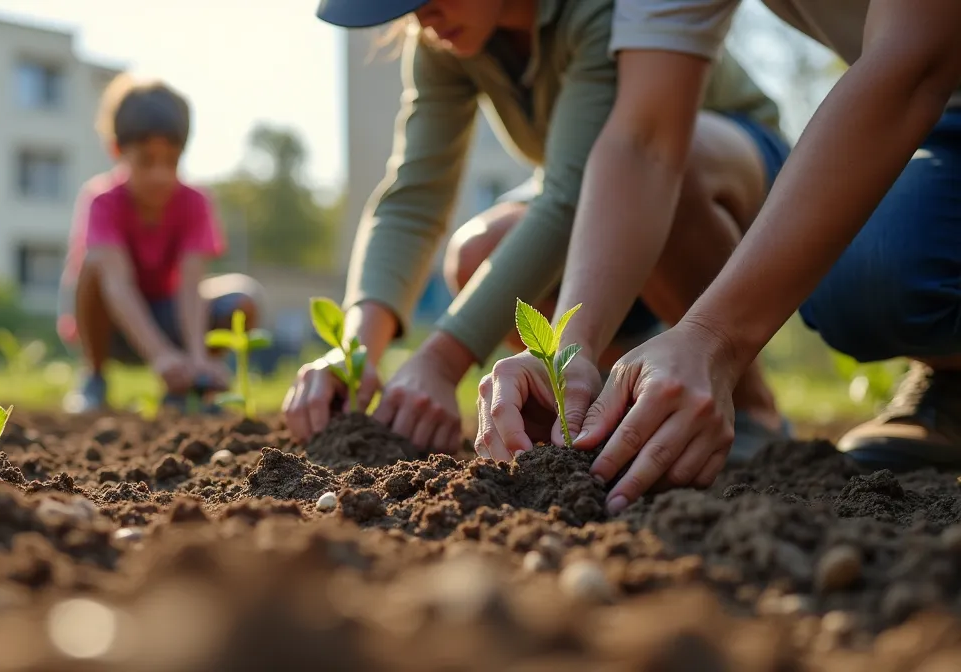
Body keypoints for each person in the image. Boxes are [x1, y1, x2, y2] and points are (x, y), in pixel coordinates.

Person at [480, 0, 961, 515]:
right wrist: (565, 348)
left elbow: (916, 58)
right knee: (868, 279)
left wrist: (714, 340)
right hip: (947, 121)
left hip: (928, 84)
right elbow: (644, 140)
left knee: (876, 264)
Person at [290, 0, 791, 455]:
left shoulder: (597, 10)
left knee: (661, 166)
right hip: (606, 205)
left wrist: (442, 363)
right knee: (478, 254)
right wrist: (355, 352)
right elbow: (413, 196)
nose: (423, 17)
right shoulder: (443, 42)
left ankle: (750, 408)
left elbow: (594, 183)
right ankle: (615, 405)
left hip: (728, 179)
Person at [58, 73, 265, 411]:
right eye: (146, 161)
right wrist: (160, 357)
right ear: (118, 150)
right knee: (93, 265)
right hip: (113, 327)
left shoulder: (195, 202)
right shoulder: (102, 202)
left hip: (170, 317)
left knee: (242, 296)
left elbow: (190, 284)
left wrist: (196, 356)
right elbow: (117, 284)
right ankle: (94, 377)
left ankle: (192, 384)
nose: (160, 175)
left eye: (171, 161)